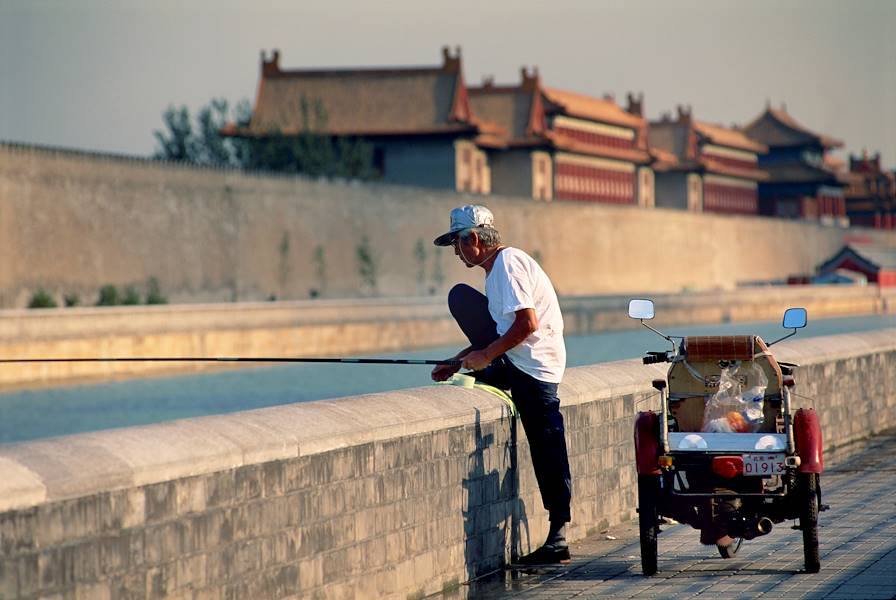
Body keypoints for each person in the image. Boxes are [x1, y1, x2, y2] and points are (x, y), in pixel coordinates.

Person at [431, 204, 573, 566]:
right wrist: (458, 360)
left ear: (474, 239)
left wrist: (486, 356)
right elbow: (498, 331)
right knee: (460, 296)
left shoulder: (507, 265)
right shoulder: (494, 271)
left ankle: (558, 536)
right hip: (512, 362)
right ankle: (474, 367)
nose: (457, 252)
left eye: (457, 244)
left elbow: (527, 324)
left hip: (534, 371)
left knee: (546, 446)